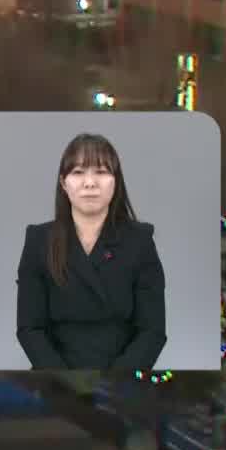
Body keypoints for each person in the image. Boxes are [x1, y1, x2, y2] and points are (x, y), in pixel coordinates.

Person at [16, 132, 167, 370]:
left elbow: (153, 331)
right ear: (63, 183)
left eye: (101, 172)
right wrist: (65, 381)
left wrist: (114, 382)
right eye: (78, 172)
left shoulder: (140, 241)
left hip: (123, 381)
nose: (90, 183)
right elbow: (30, 329)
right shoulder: (39, 240)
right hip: (54, 380)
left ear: (116, 181)